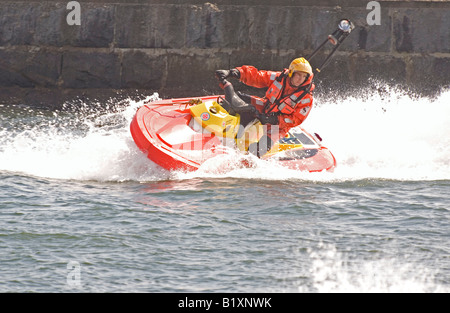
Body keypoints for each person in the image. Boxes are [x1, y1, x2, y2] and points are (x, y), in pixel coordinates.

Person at [215, 57, 315, 157]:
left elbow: (296, 120)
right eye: (298, 75)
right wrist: (233, 72)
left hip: (278, 126)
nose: (300, 79)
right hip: (265, 107)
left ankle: (244, 162)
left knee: (258, 150)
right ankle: (219, 125)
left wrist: (273, 119)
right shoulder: (279, 77)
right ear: (291, 73)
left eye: (304, 76)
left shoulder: (307, 98)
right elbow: (257, 76)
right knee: (237, 98)